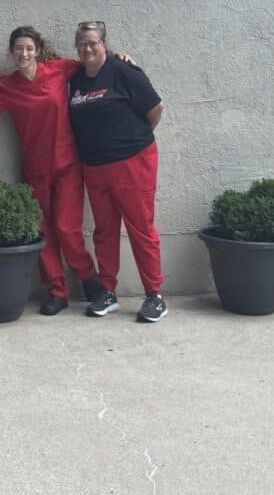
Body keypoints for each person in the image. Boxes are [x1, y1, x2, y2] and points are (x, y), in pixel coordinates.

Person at [0, 26, 104, 315]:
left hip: (67, 164)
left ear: (38, 51)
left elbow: (92, 62)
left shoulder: (58, 70)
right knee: (43, 231)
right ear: (11, 53)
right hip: (35, 169)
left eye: (29, 48)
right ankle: (57, 291)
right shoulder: (8, 87)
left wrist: (121, 58)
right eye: (18, 49)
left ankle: (89, 278)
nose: (24, 54)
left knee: (67, 228)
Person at [68, 20, 167, 324]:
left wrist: (131, 139)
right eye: (82, 43)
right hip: (95, 167)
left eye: (93, 42)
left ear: (104, 45)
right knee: (105, 231)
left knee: (140, 229)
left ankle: (155, 295)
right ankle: (107, 291)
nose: (88, 48)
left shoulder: (123, 71)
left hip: (132, 162)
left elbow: (156, 108)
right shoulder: (76, 79)